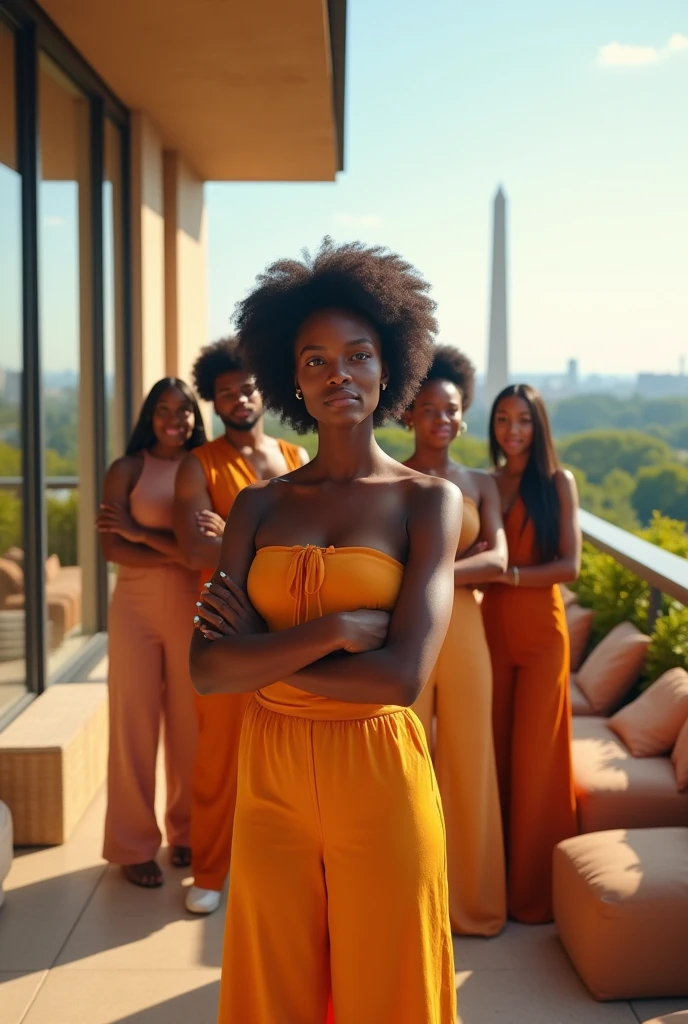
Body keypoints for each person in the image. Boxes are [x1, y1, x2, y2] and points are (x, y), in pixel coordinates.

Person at [190, 239, 460, 1023]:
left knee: (391, 988)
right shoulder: (259, 506)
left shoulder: (427, 503)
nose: (337, 373)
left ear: (389, 369)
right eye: (314, 361)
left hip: (378, 773)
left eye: (357, 354)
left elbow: (401, 679)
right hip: (269, 770)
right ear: (292, 381)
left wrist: (258, 656)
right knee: (273, 992)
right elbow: (207, 671)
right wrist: (335, 626)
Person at [173, 337, 308, 915]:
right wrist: (265, 541)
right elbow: (194, 548)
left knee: (292, 751)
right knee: (220, 755)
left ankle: (284, 867)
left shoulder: (296, 458)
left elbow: (317, 539)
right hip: (225, 624)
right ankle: (209, 870)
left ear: (264, 390)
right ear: (214, 401)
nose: (239, 397)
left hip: (289, 624)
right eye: (226, 392)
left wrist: (231, 530)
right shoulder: (197, 466)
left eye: (247, 387)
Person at [402, 344, 507, 937]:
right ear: (408, 413)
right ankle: (406, 897)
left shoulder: (481, 483)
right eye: (429, 409)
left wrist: (431, 573)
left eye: (451, 409)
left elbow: (498, 559)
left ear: (463, 414)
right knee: (403, 761)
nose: (442, 419)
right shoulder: (390, 478)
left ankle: (473, 904)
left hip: (465, 631)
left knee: (470, 763)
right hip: (410, 632)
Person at [97, 378, 206, 888]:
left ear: (194, 417)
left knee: (190, 726)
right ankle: (131, 845)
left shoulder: (203, 465)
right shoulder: (126, 469)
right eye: (164, 409)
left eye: (184, 411)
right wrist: (171, 547)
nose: (174, 419)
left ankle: (186, 832)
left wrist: (142, 532)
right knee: (133, 724)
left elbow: (197, 552)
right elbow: (112, 550)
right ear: (149, 415)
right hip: (135, 606)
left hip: (193, 605)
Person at [481, 383, 580, 924]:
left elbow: (570, 566)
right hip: (492, 629)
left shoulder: (556, 482)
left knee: (537, 759)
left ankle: (536, 895)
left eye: (522, 420)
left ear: (538, 427)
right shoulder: (488, 483)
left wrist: (508, 574)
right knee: (494, 753)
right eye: (502, 419)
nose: (511, 430)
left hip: (543, 634)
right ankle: (496, 883)